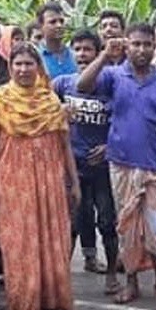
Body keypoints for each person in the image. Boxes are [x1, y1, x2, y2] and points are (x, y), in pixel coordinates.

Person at [76, 24, 156, 307]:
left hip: (155, 167)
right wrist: (104, 55)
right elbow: (83, 86)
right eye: (136, 44)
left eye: (147, 44)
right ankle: (131, 283)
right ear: (127, 46)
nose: (141, 50)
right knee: (127, 228)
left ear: (154, 46)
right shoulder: (113, 76)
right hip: (121, 165)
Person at [0, 42, 79, 310]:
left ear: (38, 67)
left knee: (52, 239)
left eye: (29, 64)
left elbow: (65, 145)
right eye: (18, 64)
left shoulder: (51, 101)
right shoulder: (0, 99)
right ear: (10, 67)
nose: (23, 70)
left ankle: (51, 303)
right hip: (13, 181)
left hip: (50, 181)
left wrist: (73, 182)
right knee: (21, 245)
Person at [55, 30, 119, 290]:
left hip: (102, 167)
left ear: (98, 52)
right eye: (78, 49)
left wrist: (110, 146)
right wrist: (58, 113)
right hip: (74, 166)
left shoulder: (111, 84)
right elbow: (44, 113)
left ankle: (112, 274)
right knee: (73, 222)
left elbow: (124, 120)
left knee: (107, 221)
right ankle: (62, 278)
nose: (82, 54)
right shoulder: (61, 84)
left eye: (88, 49)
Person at [37, 3, 76, 79]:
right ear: (41, 26)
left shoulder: (74, 54)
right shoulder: (36, 57)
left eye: (61, 21)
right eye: (53, 22)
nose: (59, 25)